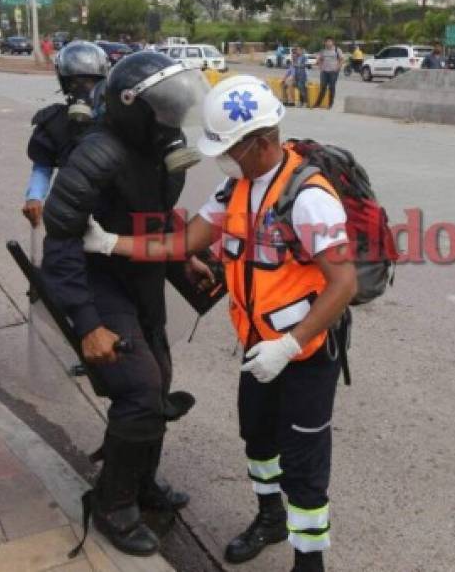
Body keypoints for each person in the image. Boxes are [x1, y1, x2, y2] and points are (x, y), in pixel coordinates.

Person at [80, 75, 357, 572]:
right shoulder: (238, 186)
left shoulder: (309, 196)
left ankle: (309, 560)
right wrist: (111, 244)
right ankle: (270, 518)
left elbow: (343, 284)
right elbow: (182, 243)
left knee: (305, 463)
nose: (219, 158)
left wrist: (291, 345)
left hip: (305, 355)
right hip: (257, 346)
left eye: (229, 147)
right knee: (258, 442)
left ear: (263, 141)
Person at [42, 51, 208, 556]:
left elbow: (157, 214)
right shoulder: (97, 154)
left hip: (143, 277)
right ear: (133, 106)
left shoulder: (161, 147)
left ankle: (141, 482)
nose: (172, 118)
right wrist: (87, 322)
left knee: (160, 382)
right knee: (139, 389)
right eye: (163, 109)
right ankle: (113, 502)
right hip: (100, 283)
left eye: (176, 109)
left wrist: (184, 261)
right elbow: (61, 242)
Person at [22, 41, 109, 229]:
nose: (82, 88)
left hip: (111, 208)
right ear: (64, 83)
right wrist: (34, 197)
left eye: (89, 81)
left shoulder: (115, 118)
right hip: (70, 205)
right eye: (74, 82)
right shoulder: (55, 122)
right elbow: (42, 167)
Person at [314, 38, 343, 109]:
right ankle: (317, 104)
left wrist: (338, 68)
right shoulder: (323, 51)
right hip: (324, 72)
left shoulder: (337, 50)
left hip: (333, 72)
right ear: (325, 43)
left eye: (330, 41)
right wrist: (320, 67)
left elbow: (341, 59)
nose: (328, 43)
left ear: (333, 42)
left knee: (331, 88)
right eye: (327, 42)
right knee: (322, 87)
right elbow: (319, 59)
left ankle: (330, 104)